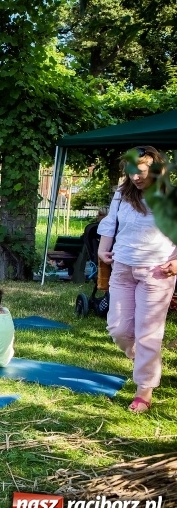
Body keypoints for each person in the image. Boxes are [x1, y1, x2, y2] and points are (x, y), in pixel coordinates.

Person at [98, 146, 177, 413]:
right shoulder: (122, 194)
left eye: (140, 172)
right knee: (117, 328)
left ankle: (144, 389)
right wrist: (102, 247)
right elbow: (110, 223)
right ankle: (145, 360)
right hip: (122, 267)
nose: (135, 177)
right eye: (130, 172)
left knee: (148, 333)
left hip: (157, 271)